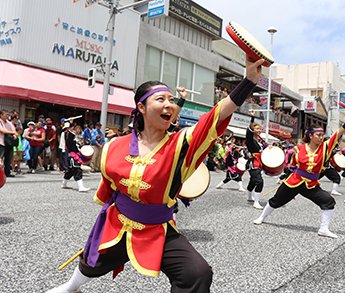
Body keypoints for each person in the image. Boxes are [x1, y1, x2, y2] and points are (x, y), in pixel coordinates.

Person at [46, 56, 264, 293]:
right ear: (141, 107)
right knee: (91, 261)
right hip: (118, 223)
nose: (169, 105)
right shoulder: (114, 147)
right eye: (161, 99)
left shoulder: (182, 144)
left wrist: (249, 80)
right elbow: (109, 190)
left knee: (196, 273)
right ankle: (70, 287)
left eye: (172, 100)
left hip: (158, 227)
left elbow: (217, 115)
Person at [253, 112, 345, 239]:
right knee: (276, 201)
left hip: (311, 184)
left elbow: (340, 132)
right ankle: (261, 217)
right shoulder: (299, 149)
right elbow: (292, 166)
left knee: (328, 201)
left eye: (322, 135)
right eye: (318, 135)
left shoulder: (325, 148)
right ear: (310, 135)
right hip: (294, 181)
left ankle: (324, 229)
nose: (321, 137)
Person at [245, 109, 268, 209]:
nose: (259, 130)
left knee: (253, 180)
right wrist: (252, 118)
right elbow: (249, 130)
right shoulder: (250, 139)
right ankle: (256, 202)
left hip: (258, 163)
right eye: (257, 129)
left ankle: (250, 196)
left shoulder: (260, 141)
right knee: (259, 181)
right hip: (253, 163)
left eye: (260, 129)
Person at [61, 122, 91, 192]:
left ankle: (64, 184)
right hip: (72, 155)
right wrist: (70, 124)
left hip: (75, 154)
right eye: (76, 129)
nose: (78, 130)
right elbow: (69, 136)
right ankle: (81, 187)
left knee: (70, 171)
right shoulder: (69, 135)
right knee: (77, 170)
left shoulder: (75, 137)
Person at [0, 109, 18, 177]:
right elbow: (2, 131)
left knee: (8, 159)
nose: (7, 116)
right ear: (1, 115)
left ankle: (7, 172)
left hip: (9, 143)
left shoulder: (9, 123)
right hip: (1, 142)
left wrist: (15, 135)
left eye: (8, 115)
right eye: (6, 115)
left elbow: (14, 130)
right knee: (0, 158)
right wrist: (12, 132)